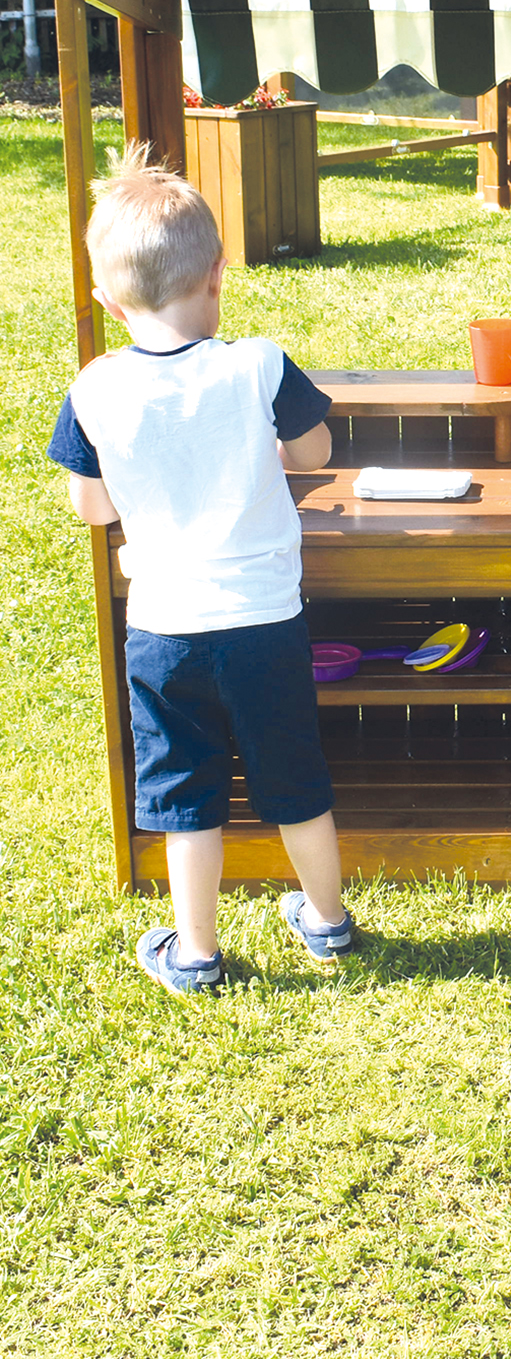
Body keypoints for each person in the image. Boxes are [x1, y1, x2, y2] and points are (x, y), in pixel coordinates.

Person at [47, 145, 353, 993]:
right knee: (294, 775)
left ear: (109, 301)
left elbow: (93, 508)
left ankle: (197, 951)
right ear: (220, 274)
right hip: (263, 622)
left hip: (166, 630)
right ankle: (326, 923)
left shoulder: (95, 388)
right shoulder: (257, 362)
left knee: (185, 792)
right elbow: (313, 450)